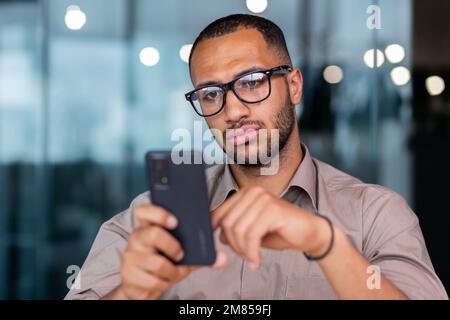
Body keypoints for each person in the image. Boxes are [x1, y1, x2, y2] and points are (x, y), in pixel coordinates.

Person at [65, 14, 447, 300]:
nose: (232, 111)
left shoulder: (374, 214)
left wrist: (326, 243)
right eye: (212, 94)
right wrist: (130, 294)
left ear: (293, 85)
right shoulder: (154, 222)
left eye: (251, 82)